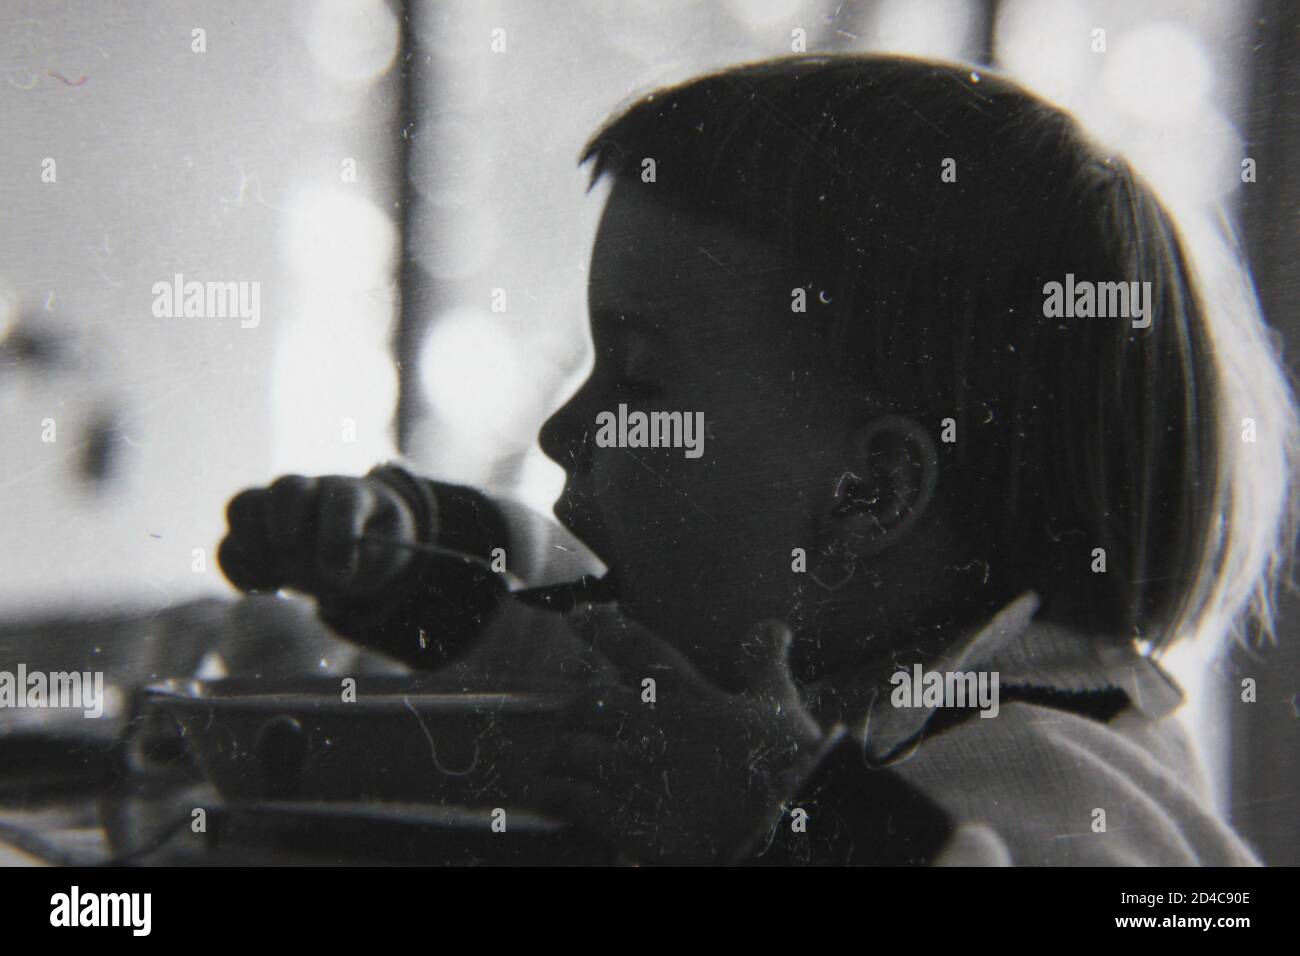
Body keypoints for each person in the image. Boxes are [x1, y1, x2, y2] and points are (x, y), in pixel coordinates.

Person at [218, 55, 1297, 865]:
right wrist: (412, 557)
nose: (562, 431)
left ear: (868, 493)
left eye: (637, 382)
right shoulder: (829, 672)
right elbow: (566, 636)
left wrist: (780, 809)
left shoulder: (1057, 767)